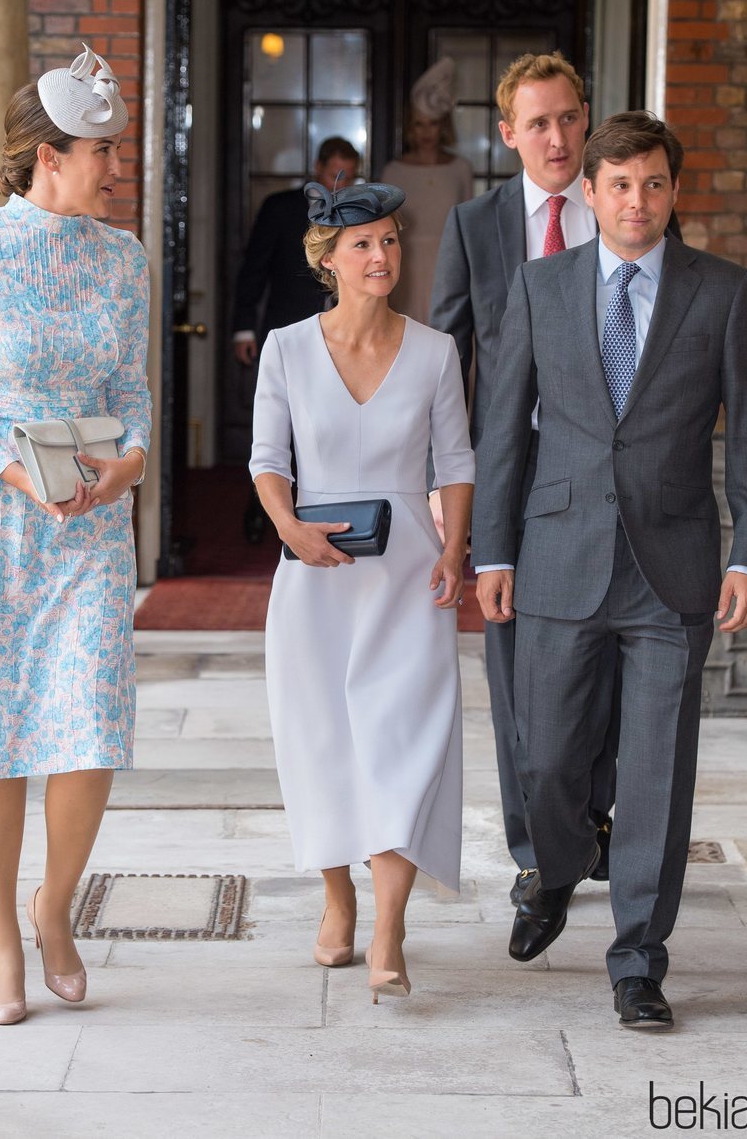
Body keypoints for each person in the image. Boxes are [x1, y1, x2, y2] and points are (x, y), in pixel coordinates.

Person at [472, 111, 747, 1028]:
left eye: (652, 183)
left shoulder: (722, 293)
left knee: (656, 772)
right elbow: (503, 432)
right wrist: (493, 549)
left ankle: (639, 961)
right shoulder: (539, 286)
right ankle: (559, 868)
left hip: (673, 568)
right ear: (591, 194)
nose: (636, 201)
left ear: (672, 191)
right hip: (557, 558)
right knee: (552, 763)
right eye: (619, 185)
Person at [0, 44, 152, 1026]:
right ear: (49, 154)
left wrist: (125, 467)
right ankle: (3, 941)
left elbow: (130, 398)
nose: (115, 169)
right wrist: (16, 471)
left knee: (90, 721)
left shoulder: (123, 258)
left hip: (90, 528)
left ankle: (55, 907)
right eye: (102, 152)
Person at [250, 178, 474, 1003]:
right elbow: (268, 461)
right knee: (323, 745)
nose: (382, 256)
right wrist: (290, 530)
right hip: (313, 581)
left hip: (410, 578)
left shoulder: (435, 351)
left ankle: (389, 927)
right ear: (328, 260)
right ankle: (337, 898)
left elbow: (454, 464)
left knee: (404, 744)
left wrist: (454, 547)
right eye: (363, 245)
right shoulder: (285, 350)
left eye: (390, 241)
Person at [431, 52, 622, 905]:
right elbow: (446, 362)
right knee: (516, 669)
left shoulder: (623, 210)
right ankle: (534, 851)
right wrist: (444, 488)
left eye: (569, 118)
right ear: (507, 134)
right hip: (512, 474)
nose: (556, 137)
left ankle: (594, 820)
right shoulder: (477, 226)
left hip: (608, 480)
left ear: (588, 121)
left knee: (612, 655)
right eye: (537, 123)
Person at [233, 136, 360, 541]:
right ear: (317, 169)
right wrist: (244, 327)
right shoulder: (280, 208)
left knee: (328, 426)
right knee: (277, 430)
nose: (339, 186)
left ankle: (326, 511)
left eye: (349, 178)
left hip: (344, 337)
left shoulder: (358, 214)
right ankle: (262, 511)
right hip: (286, 330)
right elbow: (253, 270)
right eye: (333, 175)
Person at [379, 57, 473, 324]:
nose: (426, 132)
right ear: (410, 127)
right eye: (419, 124)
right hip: (405, 268)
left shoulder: (460, 169)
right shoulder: (393, 172)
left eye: (432, 123)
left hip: (450, 265)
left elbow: (468, 226)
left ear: (443, 125)